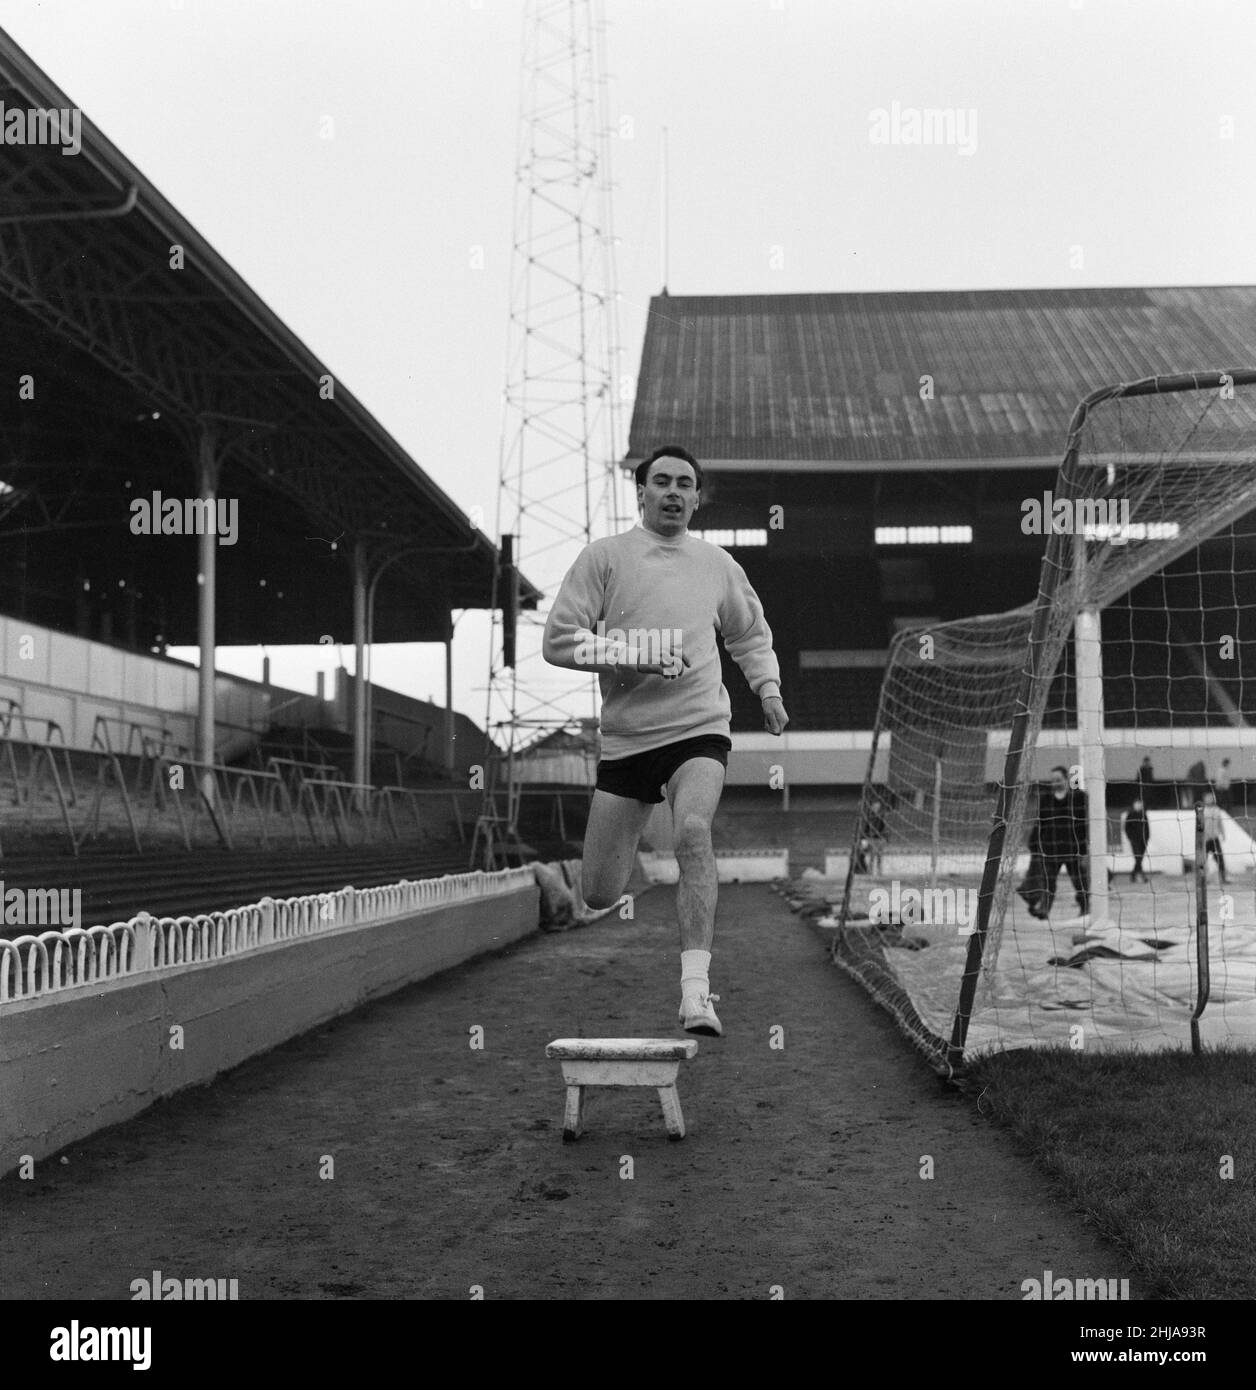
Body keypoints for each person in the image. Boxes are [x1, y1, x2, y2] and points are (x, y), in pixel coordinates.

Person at [542, 443, 789, 1037]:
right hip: (627, 740)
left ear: (698, 497)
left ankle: (696, 994)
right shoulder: (604, 558)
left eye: (686, 483)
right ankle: (610, 878)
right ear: (642, 492)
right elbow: (557, 640)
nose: (674, 492)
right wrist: (634, 657)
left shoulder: (718, 564)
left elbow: (750, 637)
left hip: (698, 729)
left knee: (694, 832)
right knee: (600, 893)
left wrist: (769, 690)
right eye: (663, 482)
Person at [1027, 765, 1090, 919]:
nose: (1055, 782)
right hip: (1051, 848)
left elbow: (1084, 824)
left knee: (1079, 882)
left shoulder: (1079, 797)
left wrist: (1084, 849)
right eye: (1053, 780)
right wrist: (1034, 842)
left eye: (1058, 779)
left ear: (1066, 779)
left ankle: (1085, 908)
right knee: (1048, 881)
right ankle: (1044, 909)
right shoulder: (1047, 798)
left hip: (1073, 848)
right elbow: (1040, 822)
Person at [1201, 791, 1228, 885]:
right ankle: (1203, 879)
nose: (1210, 799)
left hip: (1214, 838)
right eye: (1208, 797)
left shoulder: (1217, 810)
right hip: (1205, 839)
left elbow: (1220, 823)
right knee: (1203, 861)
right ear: (1204, 799)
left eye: (1211, 797)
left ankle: (1223, 879)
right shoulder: (1202, 810)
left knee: (1220, 859)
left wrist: (1223, 834)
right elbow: (1199, 825)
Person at [1123, 798, 1150, 883]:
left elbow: (1147, 828)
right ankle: (1141, 876)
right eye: (1137, 804)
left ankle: (1133, 875)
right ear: (1134, 805)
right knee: (1138, 858)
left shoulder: (1143, 814)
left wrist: (1147, 838)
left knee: (1139, 859)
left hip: (1143, 841)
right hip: (1134, 840)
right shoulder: (1130, 815)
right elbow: (1127, 828)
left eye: (1140, 804)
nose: (1139, 805)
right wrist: (1131, 838)